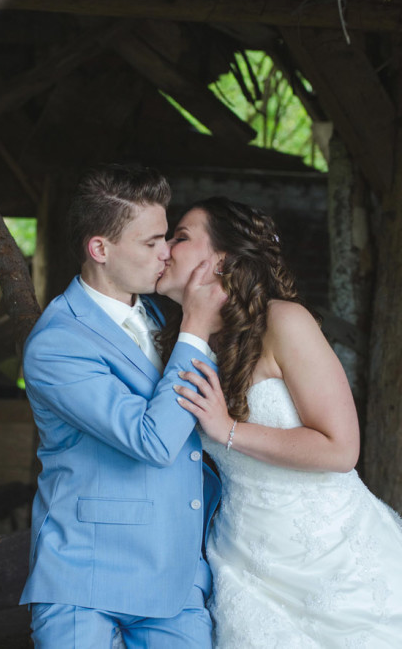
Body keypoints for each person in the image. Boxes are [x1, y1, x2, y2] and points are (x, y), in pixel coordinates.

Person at [157, 196, 402, 647]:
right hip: (243, 558)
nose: (164, 247)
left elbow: (341, 449)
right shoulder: (183, 343)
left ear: (222, 259)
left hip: (333, 552)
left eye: (180, 237)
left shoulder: (283, 321)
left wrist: (226, 429)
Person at [20, 164, 226, 647]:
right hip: (85, 581)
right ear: (100, 249)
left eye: (167, 239)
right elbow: (151, 441)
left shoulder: (160, 314)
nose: (166, 254)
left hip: (177, 583)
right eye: (150, 243)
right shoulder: (55, 343)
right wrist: (196, 326)